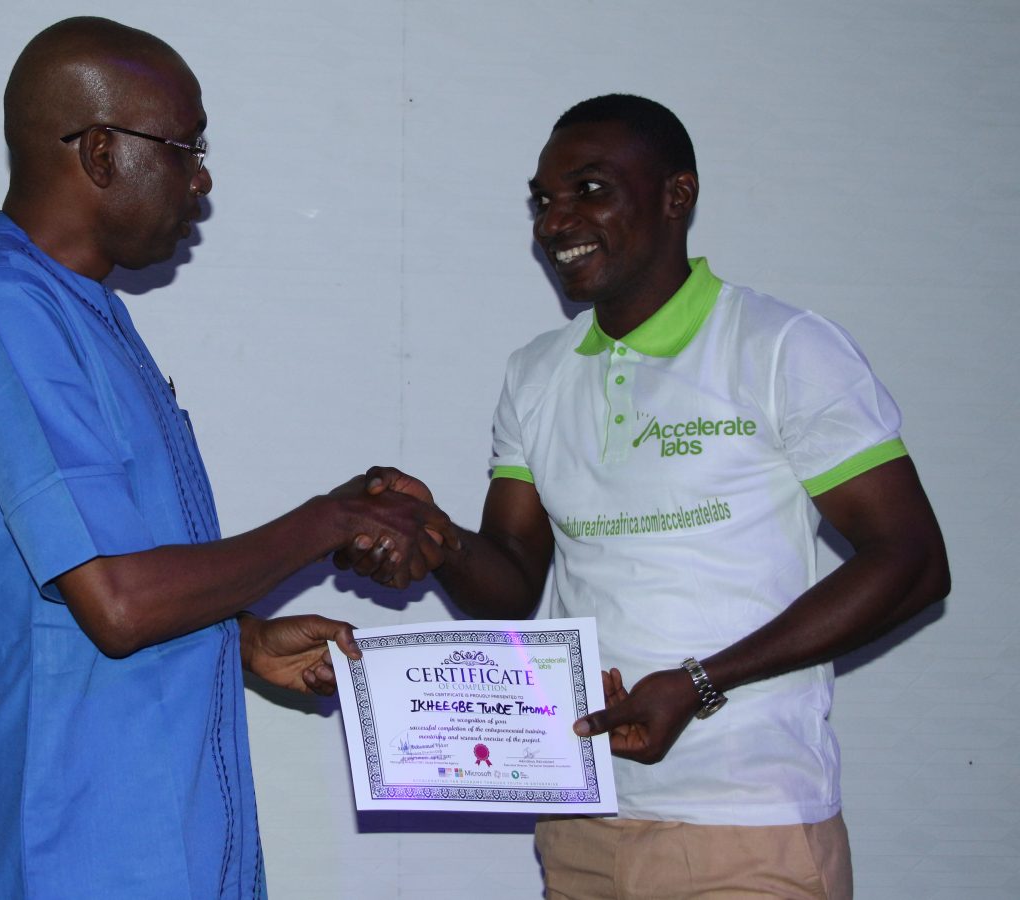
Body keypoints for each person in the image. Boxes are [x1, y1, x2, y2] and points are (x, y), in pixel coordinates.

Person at [0, 17, 453, 899]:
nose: (202, 179)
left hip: (151, 839)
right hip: (65, 849)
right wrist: (332, 520)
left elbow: (99, 574)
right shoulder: (0, 306)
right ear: (103, 152)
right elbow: (117, 603)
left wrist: (243, 639)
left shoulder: (87, 315)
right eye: (187, 149)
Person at [343, 94, 949, 898]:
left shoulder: (781, 348)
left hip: (749, 828)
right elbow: (513, 580)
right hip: (584, 828)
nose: (556, 221)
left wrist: (700, 683)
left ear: (677, 195)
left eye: (589, 190)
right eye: (543, 200)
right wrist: (437, 536)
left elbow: (912, 561)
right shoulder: (536, 373)